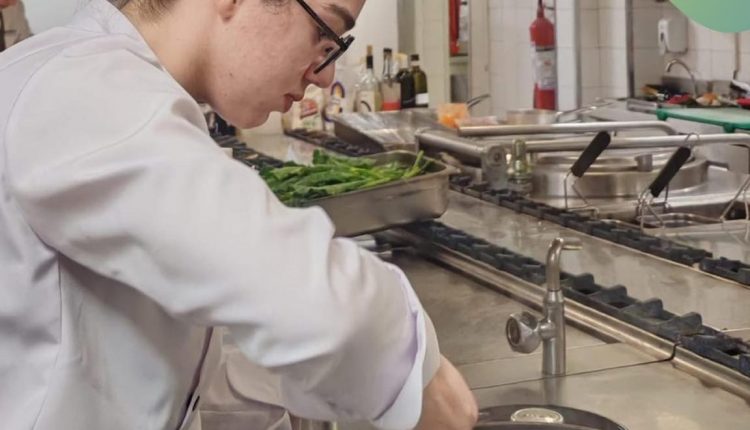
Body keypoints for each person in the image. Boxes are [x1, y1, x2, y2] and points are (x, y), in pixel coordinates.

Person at [0, 1, 478, 429]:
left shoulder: (102, 83)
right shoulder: (82, 91)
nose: (326, 76)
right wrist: (418, 372)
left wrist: (287, 392)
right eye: (324, 32)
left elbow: (140, 365)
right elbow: (308, 298)